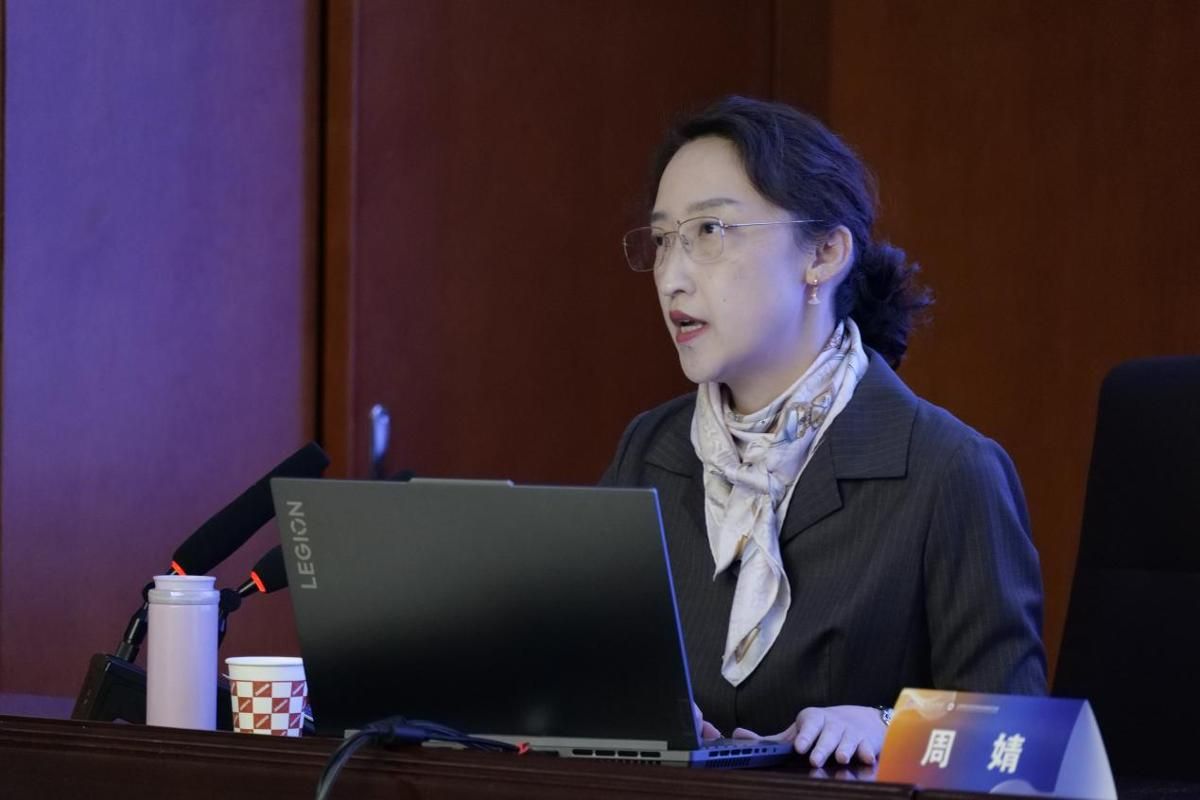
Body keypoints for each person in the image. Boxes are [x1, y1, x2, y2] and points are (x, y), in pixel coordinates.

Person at [601, 96, 1046, 768]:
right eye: (664, 239)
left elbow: (1021, 744)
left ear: (824, 253)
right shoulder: (650, 449)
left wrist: (891, 729)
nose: (672, 276)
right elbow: (581, 672)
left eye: (710, 231)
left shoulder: (949, 470)